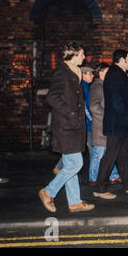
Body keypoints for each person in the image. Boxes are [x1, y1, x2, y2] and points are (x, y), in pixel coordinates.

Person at [38, 42, 95, 213]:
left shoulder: (74, 71)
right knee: (76, 164)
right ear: (74, 54)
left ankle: (74, 202)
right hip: (66, 127)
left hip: (73, 127)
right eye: (82, 54)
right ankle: (48, 192)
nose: (85, 57)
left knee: (72, 164)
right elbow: (52, 97)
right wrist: (70, 112)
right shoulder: (62, 72)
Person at [92, 49, 128, 200]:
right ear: (121, 59)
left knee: (125, 154)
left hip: (121, 123)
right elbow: (116, 100)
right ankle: (100, 188)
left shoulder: (117, 73)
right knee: (111, 155)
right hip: (118, 122)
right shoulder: (115, 74)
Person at [52, 66, 94, 175]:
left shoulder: (86, 87)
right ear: (83, 75)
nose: (93, 76)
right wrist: (91, 119)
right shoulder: (83, 87)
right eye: (90, 73)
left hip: (84, 122)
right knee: (84, 150)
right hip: (85, 123)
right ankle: (95, 174)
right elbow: (84, 106)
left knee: (76, 150)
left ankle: (59, 168)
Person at [88, 63, 120, 186]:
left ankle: (113, 175)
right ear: (100, 72)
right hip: (100, 125)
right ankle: (94, 177)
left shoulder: (105, 86)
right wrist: (109, 114)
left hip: (107, 124)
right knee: (99, 152)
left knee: (109, 151)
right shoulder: (97, 86)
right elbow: (94, 106)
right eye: (108, 72)